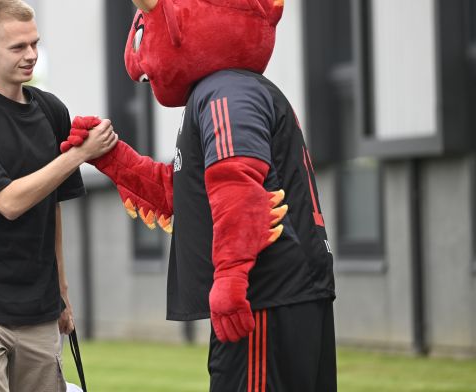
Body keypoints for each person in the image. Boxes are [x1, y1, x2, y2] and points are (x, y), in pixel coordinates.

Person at [61, 0, 336, 391]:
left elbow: (238, 186)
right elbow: (188, 194)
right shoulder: (227, 90)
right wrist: (112, 157)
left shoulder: (227, 92)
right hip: (281, 294)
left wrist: (230, 280)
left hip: (265, 294)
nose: (139, 64)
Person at [0, 1, 117, 391]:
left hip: (40, 311)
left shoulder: (51, 111)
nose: (31, 55)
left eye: (35, 44)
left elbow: (52, 208)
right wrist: (78, 155)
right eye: (18, 47)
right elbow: (10, 202)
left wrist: (63, 293)